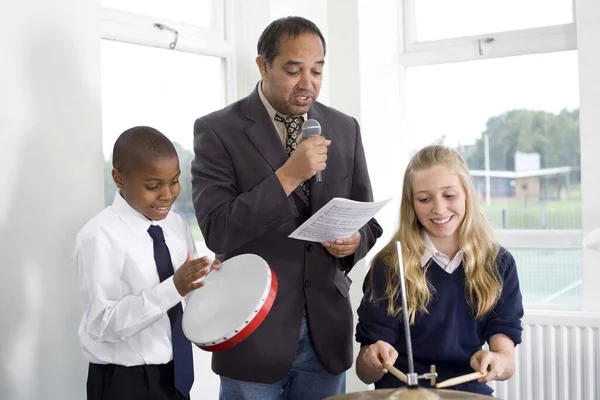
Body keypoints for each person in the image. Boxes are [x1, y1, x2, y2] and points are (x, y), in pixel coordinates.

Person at [191, 16, 383, 400]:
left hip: (325, 332)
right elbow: (217, 229)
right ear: (263, 66)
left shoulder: (345, 128)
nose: (307, 83)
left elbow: (369, 221)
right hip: (252, 329)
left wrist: (354, 241)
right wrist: (288, 176)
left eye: (316, 70)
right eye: (293, 70)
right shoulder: (217, 131)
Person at [355, 145, 523, 396]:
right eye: (424, 199)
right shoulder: (389, 265)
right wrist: (372, 358)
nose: (439, 209)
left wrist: (497, 362)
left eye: (449, 195)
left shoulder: (499, 263)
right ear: (411, 204)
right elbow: (364, 372)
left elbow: (506, 360)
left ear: (466, 194)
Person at [75, 126, 220, 400]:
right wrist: (174, 287)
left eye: (174, 181)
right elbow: (101, 323)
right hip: (125, 381)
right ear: (119, 178)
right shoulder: (99, 236)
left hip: (176, 376)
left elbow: (188, 299)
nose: (167, 194)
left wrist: (206, 279)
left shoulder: (176, 224)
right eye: (153, 186)